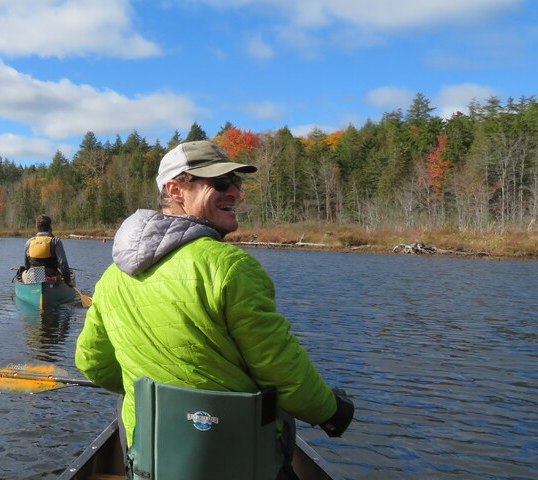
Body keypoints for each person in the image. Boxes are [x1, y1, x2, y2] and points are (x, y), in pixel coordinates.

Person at [74, 140, 353, 451]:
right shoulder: (232, 267)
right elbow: (281, 370)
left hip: (149, 458)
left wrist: (141, 388)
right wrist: (331, 412)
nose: (235, 192)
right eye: (220, 183)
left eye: (236, 181)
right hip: (234, 458)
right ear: (176, 190)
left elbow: (92, 362)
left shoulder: (112, 276)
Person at [22, 215, 74, 285]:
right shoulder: (55, 241)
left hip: (34, 277)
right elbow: (63, 263)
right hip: (51, 276)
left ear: (37, 227)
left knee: (22, 273)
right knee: (60, 273)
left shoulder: (29, 242)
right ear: (50, 227)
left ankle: (37, 287)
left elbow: (26, 265)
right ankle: (48, 286)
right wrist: (68, 281)